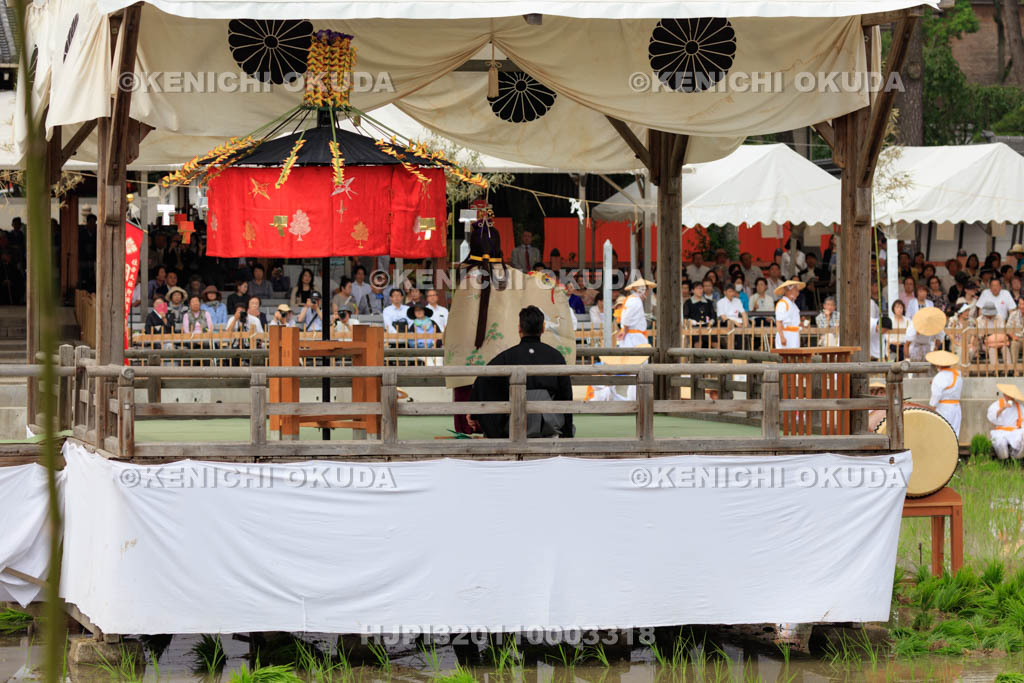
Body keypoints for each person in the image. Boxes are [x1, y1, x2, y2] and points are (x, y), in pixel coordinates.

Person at [467, 305, 573, 439]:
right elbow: (566, 394)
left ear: (519, 328)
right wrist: (567, 432)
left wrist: (474, 412)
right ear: (543, 328)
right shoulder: (556, 356)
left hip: (515, 423)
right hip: (549, 424)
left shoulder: (507, 356)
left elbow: (482, 382)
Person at [927, 350, 962, 439]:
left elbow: (937, 394)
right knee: (955, 433)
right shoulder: (957, 374)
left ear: (938, 364)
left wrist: (932, 406)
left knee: (942, 433)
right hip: (956, 407)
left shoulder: (939, 377)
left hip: (943, 408)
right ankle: (954, 452)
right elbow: (950, 387)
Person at [989, 384, 1024, 460]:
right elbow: (992, 417)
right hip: (1001, 431)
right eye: (1007, 395)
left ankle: (1017, 458)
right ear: (1004, 395)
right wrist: (1003, 408)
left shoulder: (1019, 406)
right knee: (1000, 441)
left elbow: (1022, 421)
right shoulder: (997, 404)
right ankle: (1004, 460)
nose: (1009, 397)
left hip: (1015, 431)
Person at [617, 279, 655, 348]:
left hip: (634, 336)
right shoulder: (635, 301)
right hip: (634, 338)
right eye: (647, 290)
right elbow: (627, 318)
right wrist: (624, 331)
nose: (648, 292)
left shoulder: (633, 299)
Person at [977, 302, 1010, 373]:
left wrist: (992, 338)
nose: (990, 315)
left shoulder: (999, 318)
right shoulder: (979, 320)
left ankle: (1009, 369)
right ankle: (995, 369)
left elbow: (1002, 332)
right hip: (986, 343)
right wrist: (990, 338)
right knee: (992, 349)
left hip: (999, 340)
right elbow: (981, 335)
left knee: (1005, 348)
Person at [773, 279, 805, 349]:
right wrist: (782, 337)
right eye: (796, 290)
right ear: (789, 291)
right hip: (786, 334)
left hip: (794, 335)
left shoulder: (793, 304)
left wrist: (800, 323)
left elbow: (793, 320)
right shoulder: (782, 303)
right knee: (784, 357)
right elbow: (779, 322)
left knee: (794, 357)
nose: (798, 293)